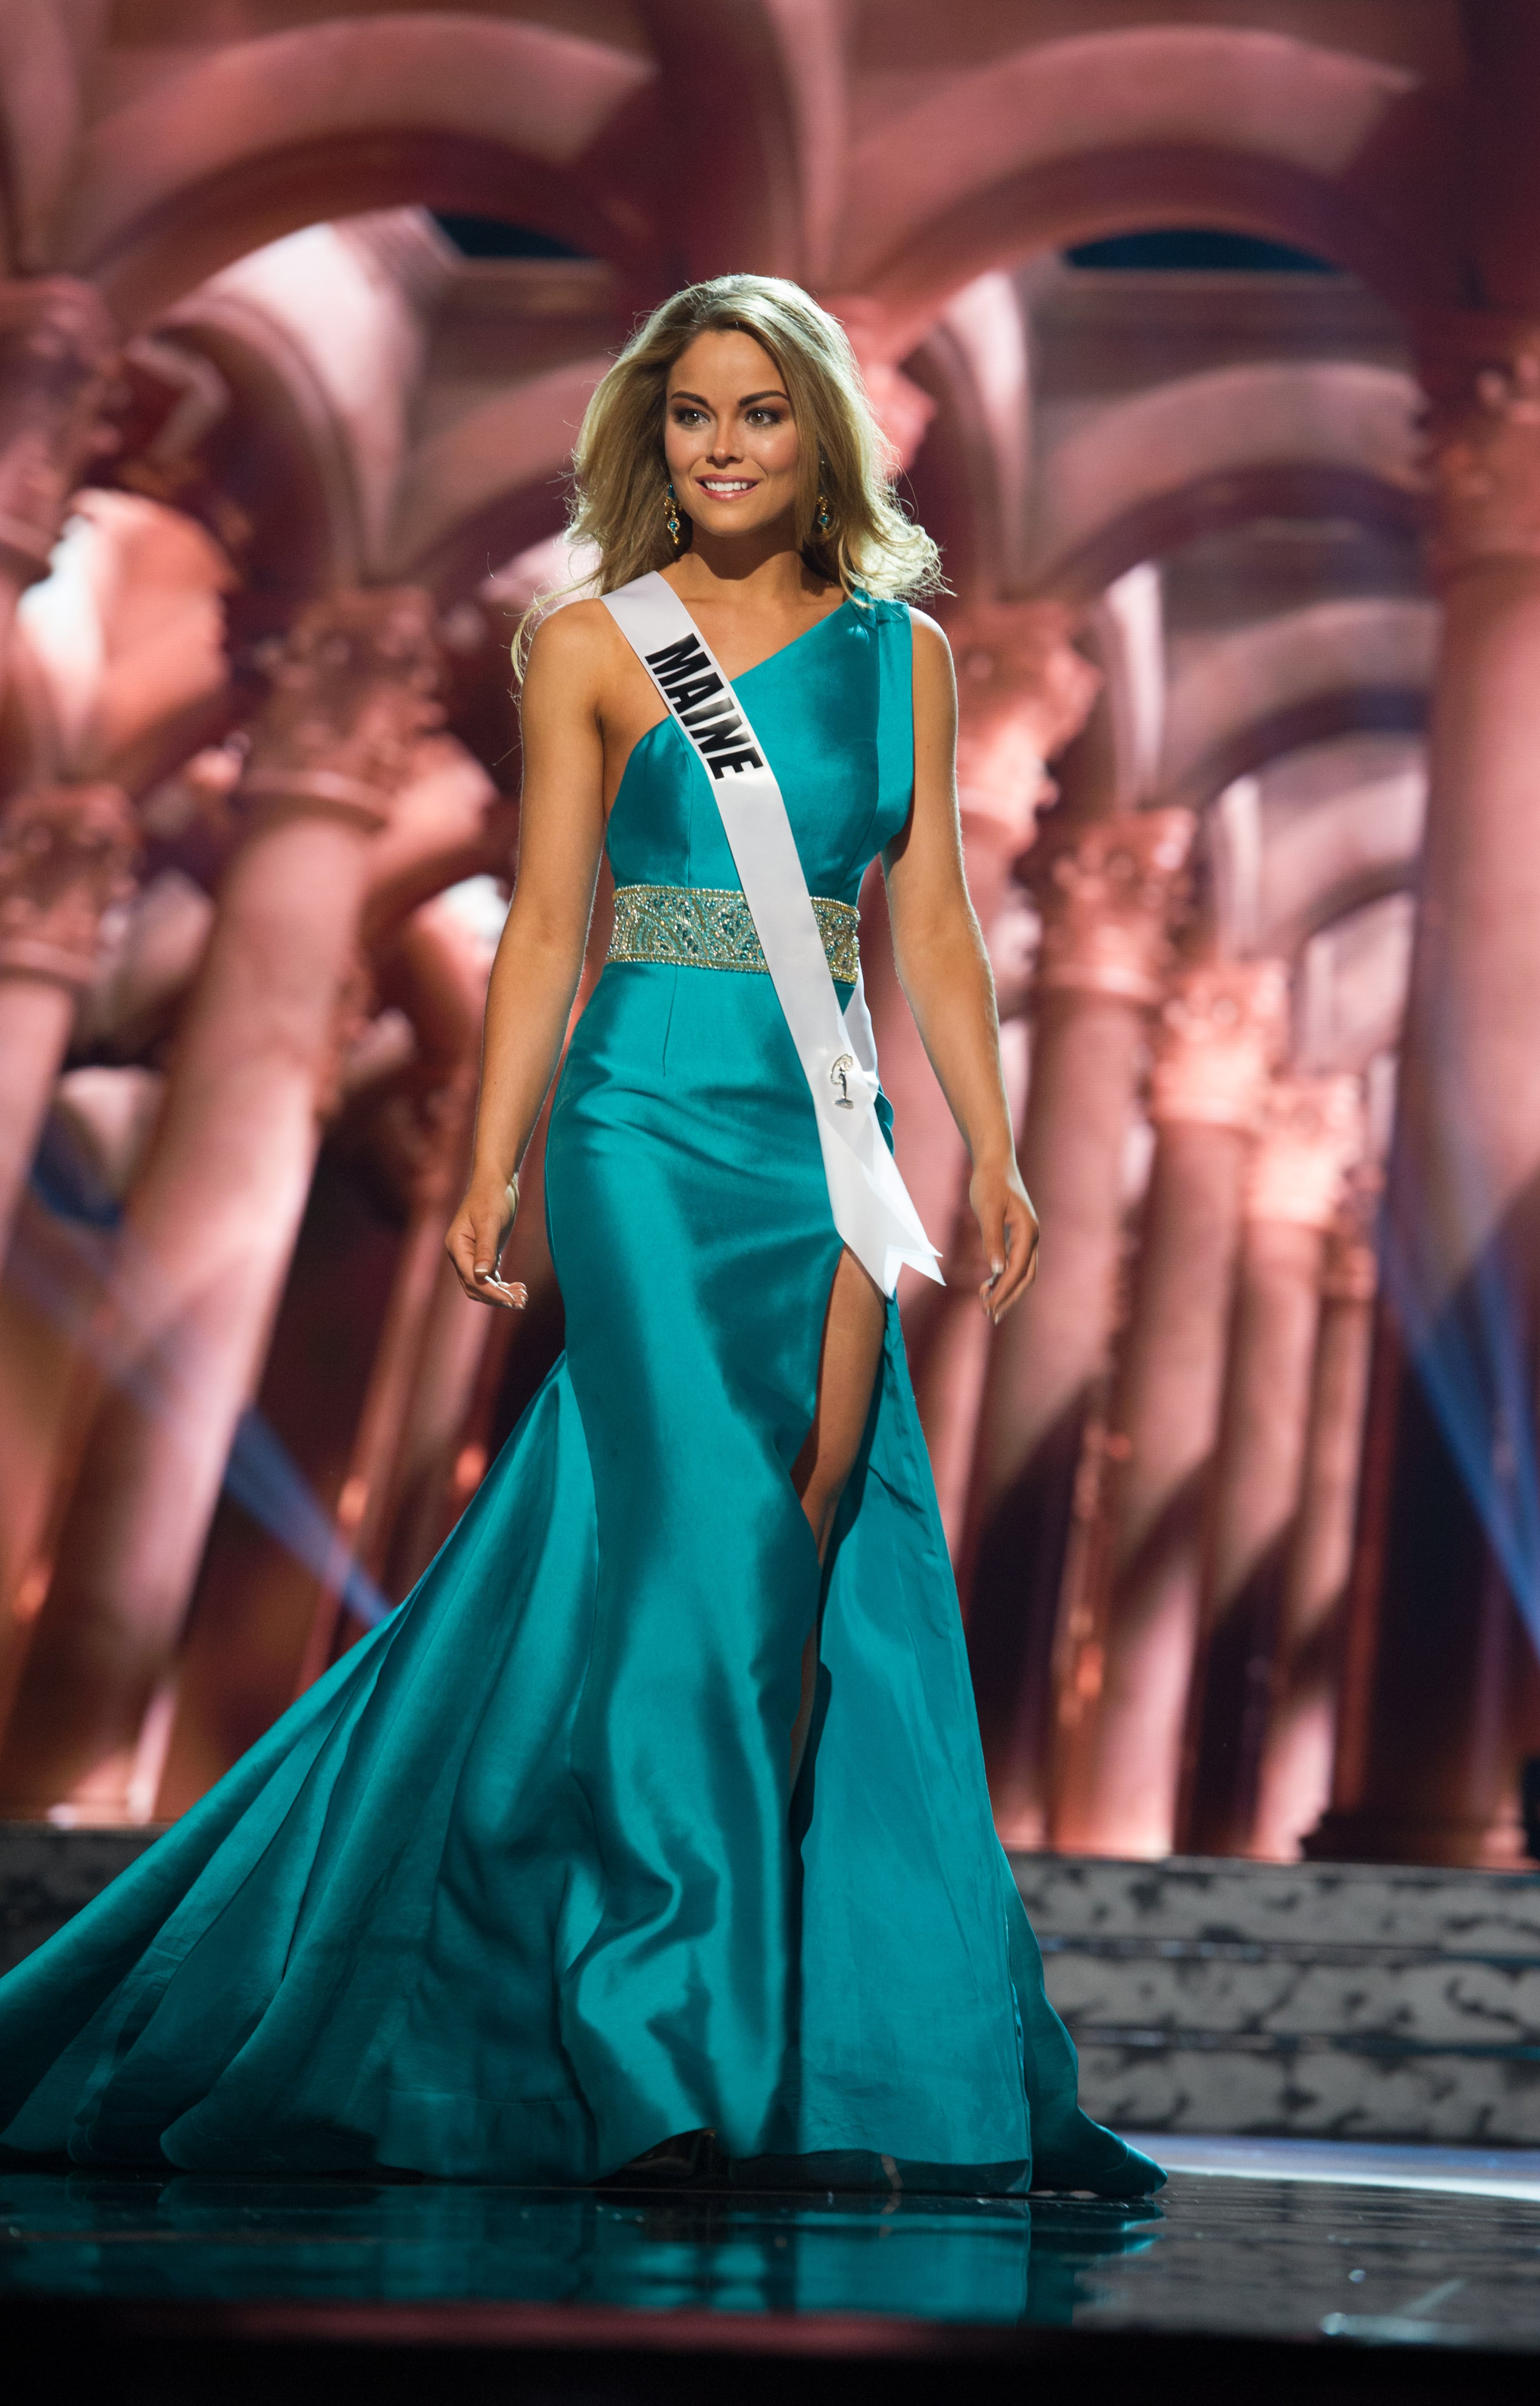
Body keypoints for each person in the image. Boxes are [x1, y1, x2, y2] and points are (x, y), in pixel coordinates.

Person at [0, 275, 1161, 2202]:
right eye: (691, 413)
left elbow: (932, 930)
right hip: (639, 1113)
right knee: (706, 1540)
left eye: (760, 414)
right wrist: (496, 1158)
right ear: (654, 435)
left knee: (805, 1553)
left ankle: (796, 2054)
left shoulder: (907, 659)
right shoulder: (592, 646)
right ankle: (659, 2068)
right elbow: (546, 919)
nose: (722, 446)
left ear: (820, 441)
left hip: (829, 1130)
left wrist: (1000, 1149)